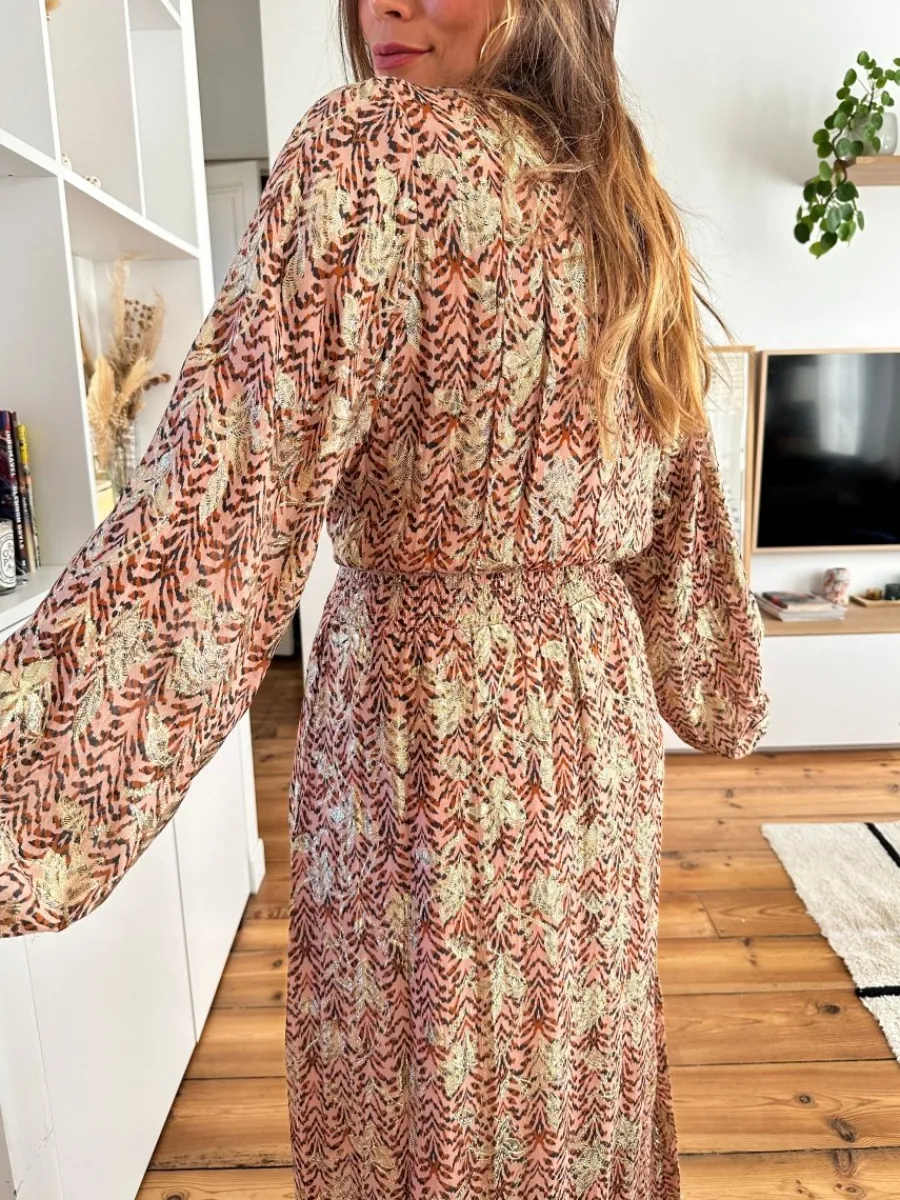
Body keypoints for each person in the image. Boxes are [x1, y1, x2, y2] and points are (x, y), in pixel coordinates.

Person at [0, 0, 769, 1195]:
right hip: (595, 732)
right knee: (572, 1070)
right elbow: (686, 519)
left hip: (426, 725)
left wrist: (26, 776)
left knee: (424, 1089)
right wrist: (719, 687)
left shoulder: (370, 152)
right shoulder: (626, 195)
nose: (385, 6)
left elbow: (215, 517)